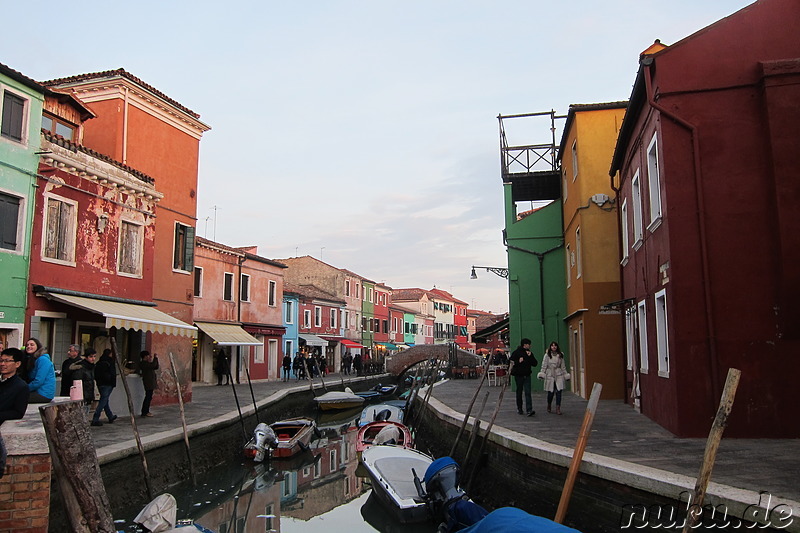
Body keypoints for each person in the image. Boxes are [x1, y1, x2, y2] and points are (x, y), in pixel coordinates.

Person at [0, 348, 30, 479]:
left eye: (7, 361)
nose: (2, 364)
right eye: (1, 360)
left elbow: (18, 412)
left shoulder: (20, 386)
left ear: (17, 364)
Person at [510, 338, 537, 416]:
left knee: (528, 392)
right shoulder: (516, 353)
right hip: (519, 376)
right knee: (519, 392)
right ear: (525, 345)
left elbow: (535, 363)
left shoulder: (529, 353)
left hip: (527, 375)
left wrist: (530, 356)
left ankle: (529, 409)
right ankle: (520, 408)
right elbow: (511, 362)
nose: (530, 346)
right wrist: (518, 361)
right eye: (529, 344)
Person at [541, 341, 569, 415]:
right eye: (552, 345)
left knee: (559, 391)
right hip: (550, 374)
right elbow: (544, 365)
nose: (554, 347)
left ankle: (558, 408)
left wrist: (565, 374)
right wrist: (542, 373)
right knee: (550, 392)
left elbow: (563, 366)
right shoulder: (547, 355)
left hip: (558, 374)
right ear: (550, 347)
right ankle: (549, 404)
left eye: (555, 345)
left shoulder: (560, 355)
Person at [91, 349, 118, 426]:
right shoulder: (109, 362)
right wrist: (112, 381)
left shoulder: (99, 362)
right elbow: (113, 373)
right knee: (103, 400)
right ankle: (95, 418)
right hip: (108, 384)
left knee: (104, 399)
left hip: (100, 383)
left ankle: (110, 416)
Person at [24, 338, 55, 403]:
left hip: (43, 393)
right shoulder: (32, 359)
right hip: (36, 391)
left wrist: (23, 389)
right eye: (27, 345)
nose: (29, 346)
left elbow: (38, 381)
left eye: (32, 345)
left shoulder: (43, 360)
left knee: (16, 398)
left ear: (38, 346)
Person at [139, 351, 159, 417]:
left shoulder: (147, 363)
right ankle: (145, 411)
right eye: (148, 356)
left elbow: (155, 366)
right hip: (148, 382)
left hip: (150, 381)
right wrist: (155, 358)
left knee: (149, 397)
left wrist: (156, 359)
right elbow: (153, 365)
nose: (149, 357)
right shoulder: (143, 364)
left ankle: (146, 411)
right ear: (145, 356)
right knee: (148, 397)